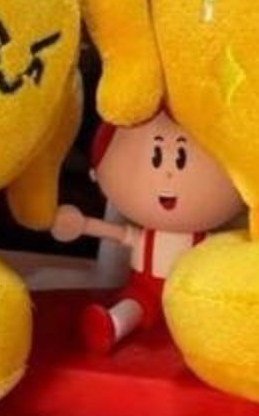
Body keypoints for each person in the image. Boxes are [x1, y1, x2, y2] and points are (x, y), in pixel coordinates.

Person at [51, 108, 243, 356]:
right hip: (145, 290)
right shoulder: (147, 236)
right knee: (134, 305)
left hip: (194, 296)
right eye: (156, 157)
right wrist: (84, 225)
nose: (169, 174)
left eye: (181, 159)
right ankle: (112, 325)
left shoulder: (208, 242)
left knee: (206, 313)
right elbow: (121, 234)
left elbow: (230, 252)